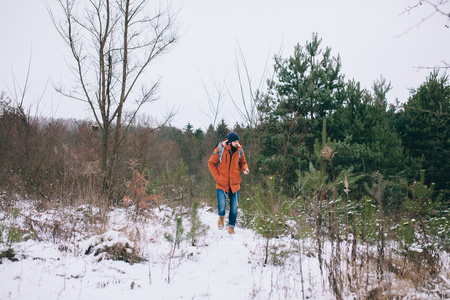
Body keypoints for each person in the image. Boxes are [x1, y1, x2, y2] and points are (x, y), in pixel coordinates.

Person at [208, 132, 250, 234]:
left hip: (235, 183)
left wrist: (245, 169)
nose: (237, 143)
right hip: (222, 182)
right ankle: (221, 217)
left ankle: (231, 227)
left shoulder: (240, 150)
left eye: (237, 141)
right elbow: (211, 163)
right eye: (235, 141)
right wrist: (217, 177)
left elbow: (243, 162)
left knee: (234, 207)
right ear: (230, 142)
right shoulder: (220, 149)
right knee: (222, 206)